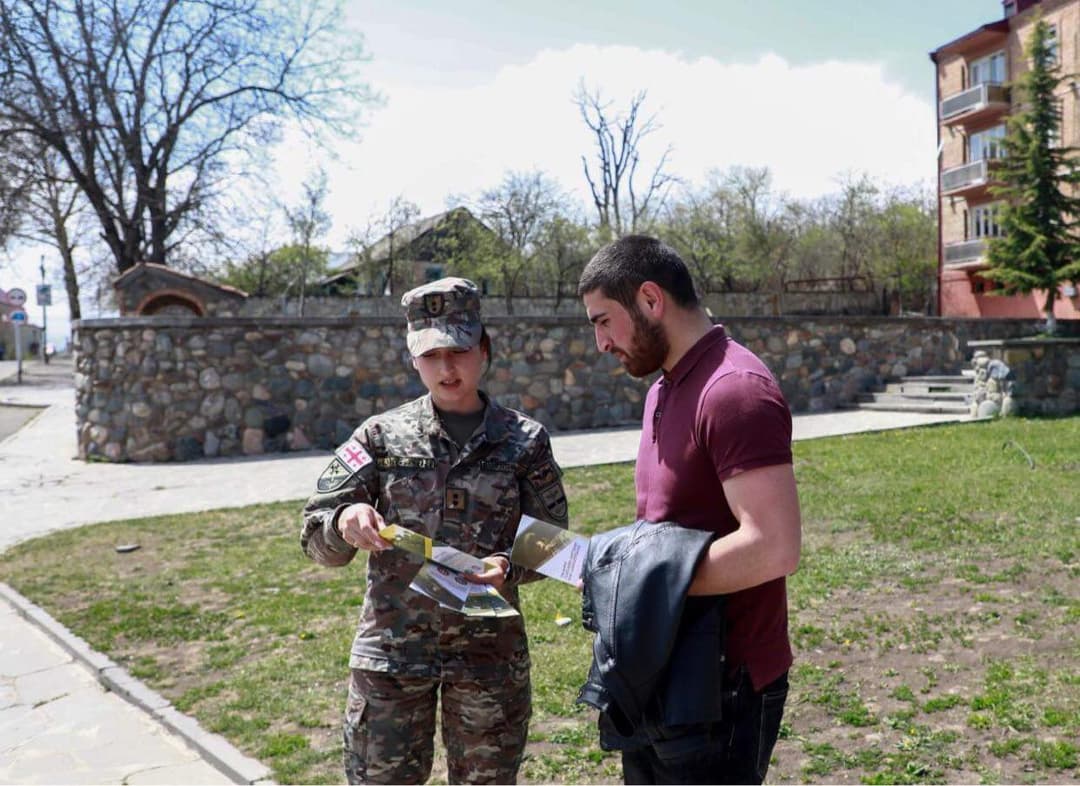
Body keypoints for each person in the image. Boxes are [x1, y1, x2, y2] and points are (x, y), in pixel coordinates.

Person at [301, 276, 569, 785]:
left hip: (489, 657)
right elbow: (315, 536)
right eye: (432, 354)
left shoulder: (525, 441)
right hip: (392, 658)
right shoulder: (379, 436)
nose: (447, 368)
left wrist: (509, 567)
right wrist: (342, 521)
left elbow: (553, 540)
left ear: (484, 349)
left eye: (460, 350)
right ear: (412, 356)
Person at [577, 235, 802, 785]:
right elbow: (665, 529)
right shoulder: (664, 388)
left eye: (604, 321)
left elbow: (774, 546)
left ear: (651, 300)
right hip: (662, 665)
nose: (601, 343)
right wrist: (603, 568)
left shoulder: (734, 391)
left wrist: (633, 584)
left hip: (724, 686)